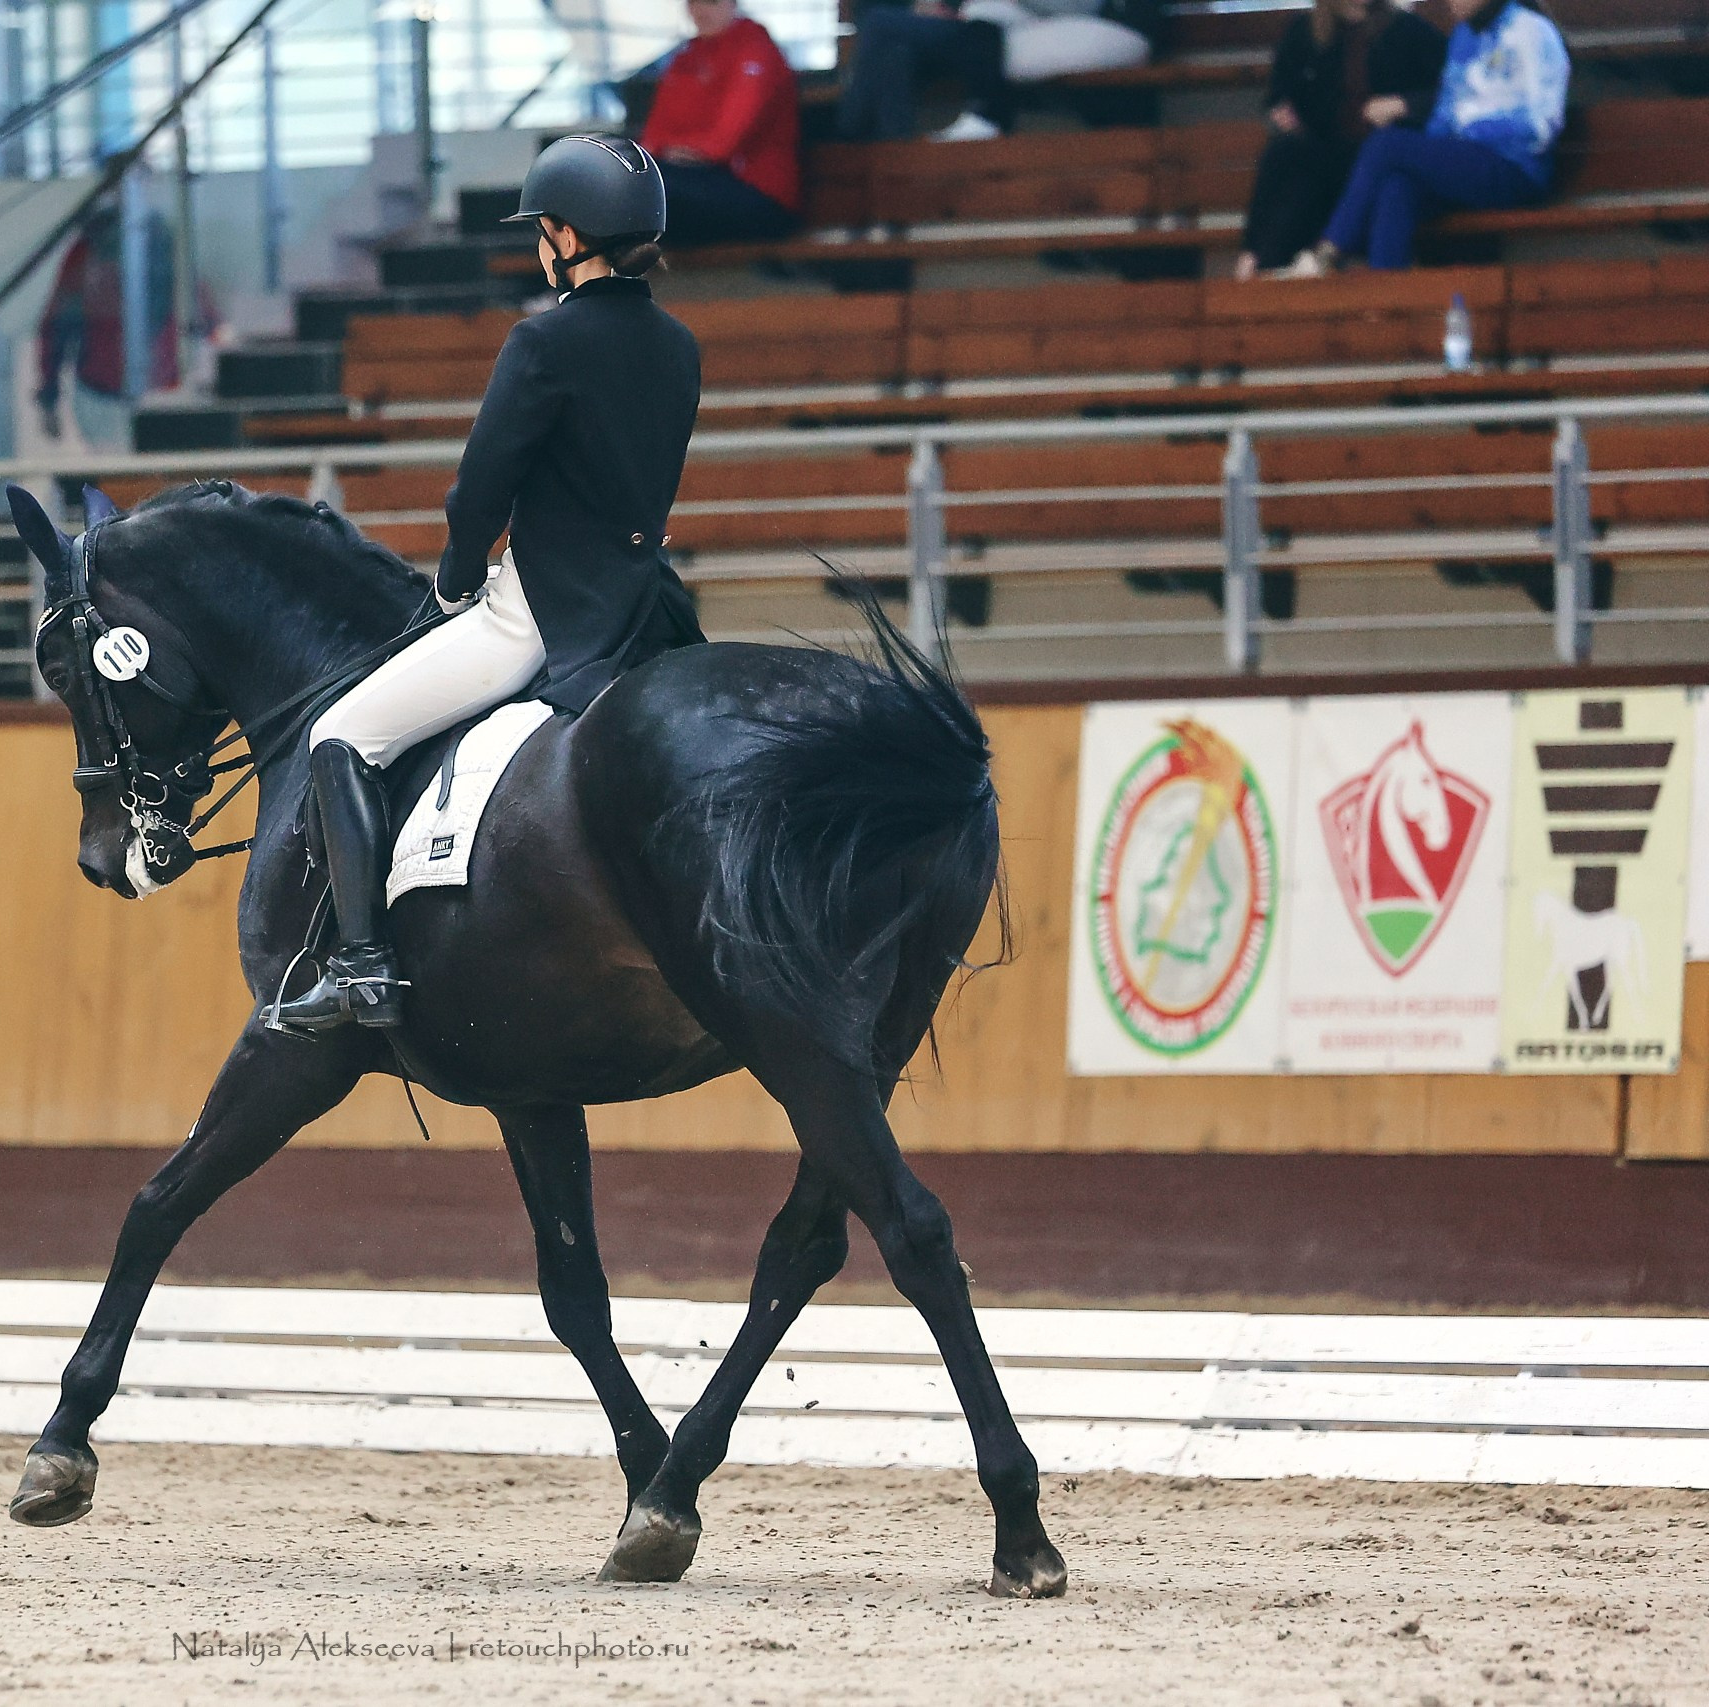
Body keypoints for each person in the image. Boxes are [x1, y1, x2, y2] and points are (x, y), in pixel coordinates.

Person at [269, 137, 706, 1034]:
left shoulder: (544, 340)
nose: (540, 247)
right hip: (646, 605)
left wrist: (456, 582)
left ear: (566, 235)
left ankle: (361, 968)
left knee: (340, 734)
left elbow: (483, 487)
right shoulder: (678, 346)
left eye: (543, 232)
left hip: (540, 614)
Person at [1285, 0, 1567, 275]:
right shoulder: (1463, 36)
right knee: (1397, 186)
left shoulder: (1532, 32)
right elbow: (1445, 113)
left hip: (1514, 167)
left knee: (1387, 143)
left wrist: (1468, 129)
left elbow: (1540, 126)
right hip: (1465, 161)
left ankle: (1327, 252)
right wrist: (1433, 153)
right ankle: (1388, 302)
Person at [1236, 0, 1447, 280]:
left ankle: (1267, 262)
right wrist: (1282, 112)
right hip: (1320, 156)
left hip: (1377, 159)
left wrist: (1403, 104)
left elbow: (1448, 90)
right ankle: (1257, 260)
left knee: (1304, 178)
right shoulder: (1305, 32)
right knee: (1285, 156)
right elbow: (1279, 93)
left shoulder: (1407, 31)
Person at [34, 198, 214, 451]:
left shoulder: (163, 241)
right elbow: (58, 325)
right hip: (105, 391)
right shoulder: (88, 250)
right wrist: (48, 395)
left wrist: (49, 394)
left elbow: (198, 305)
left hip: (159, 389)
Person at [838, 0, 1148, 143]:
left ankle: (847, 134)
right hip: (979, 26)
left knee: (883, 26)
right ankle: (891, 155)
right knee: (889, 47)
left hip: (994, 33)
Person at [637, 0, 803, 244]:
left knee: (646, 196)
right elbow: (652, 138)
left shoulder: (755, 50)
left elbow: (724, 143)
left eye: (711, 2)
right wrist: (681, 149)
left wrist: (678, 148)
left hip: (757, 193)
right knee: (628, 189)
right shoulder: (687, 58)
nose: (700, 11)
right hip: (696, 181)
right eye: (693, 2)